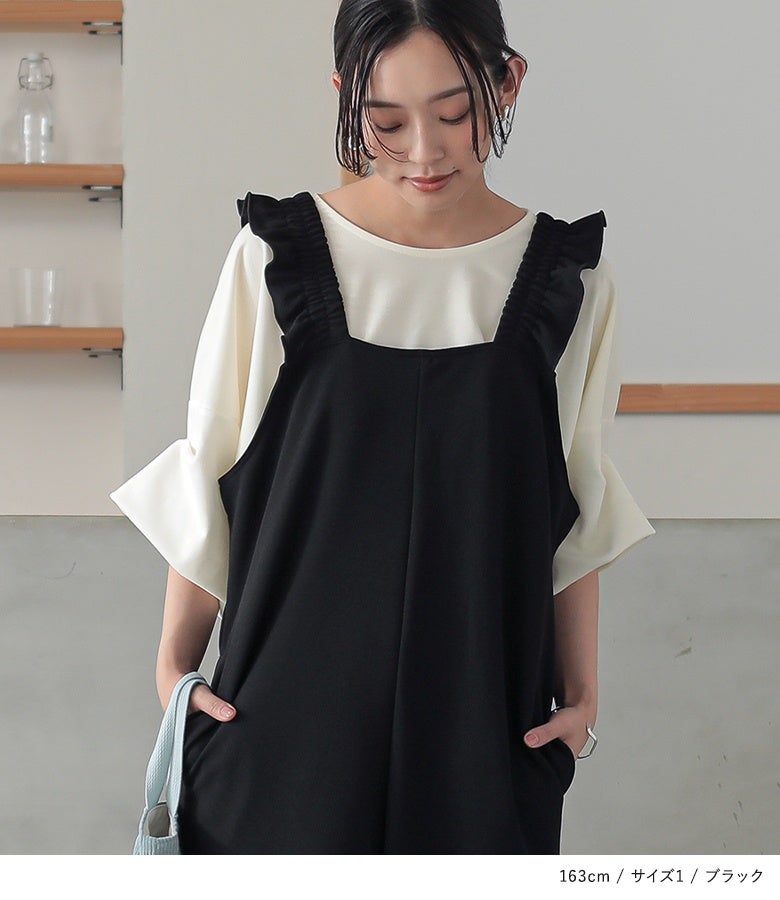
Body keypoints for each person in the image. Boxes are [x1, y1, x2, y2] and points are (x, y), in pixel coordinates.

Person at [110, 0, 655, 854]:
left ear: (509, 83)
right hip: (281, 732)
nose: (424, 152)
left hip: (484, 734)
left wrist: (581, 695)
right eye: (387, 122)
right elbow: (213, 467)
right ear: (344, 96)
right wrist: (174, 670)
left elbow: (575, 500)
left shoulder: (571, 281)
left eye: (455, 112)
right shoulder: (274, 257)